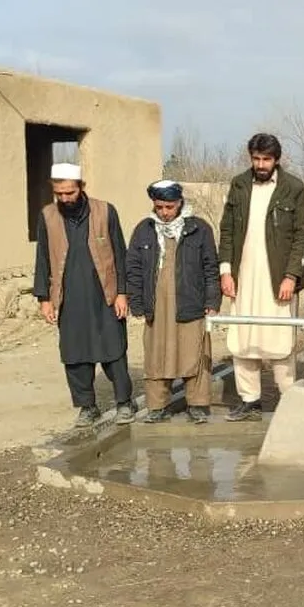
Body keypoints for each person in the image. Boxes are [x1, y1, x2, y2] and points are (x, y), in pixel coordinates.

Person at [217, 133, 304, 422]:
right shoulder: (239, 185)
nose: (260, 165)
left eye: (266, 159)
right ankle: (250, 400)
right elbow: (226, 230)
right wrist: (226, 271)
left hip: (278, 279)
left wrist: (291, 275)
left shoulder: (294, 188)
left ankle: (289, 399)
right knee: (243, 337)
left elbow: (302, 236)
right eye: (256, 159)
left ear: (276, 160)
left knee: (280, 339)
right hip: (242, 277)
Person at [32, 162, 135, 428]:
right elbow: (42, 258)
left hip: (105, 294)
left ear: (81, 187)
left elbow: (120, 254)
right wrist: (44, 298)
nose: (65, 198)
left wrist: (122, 293)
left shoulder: (105, 211)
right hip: (69, 297)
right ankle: (87, 407)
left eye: (70, 192)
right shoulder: (47, 216)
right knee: (75, 353)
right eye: (59, 194)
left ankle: (124, 402)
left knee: (114, 349)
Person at [126, 180, 221, 424]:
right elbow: (133, 268)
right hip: (157, 305)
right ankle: (157, 406)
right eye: (159, 207)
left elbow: (211, 267)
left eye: (169, 207)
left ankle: (197, 405)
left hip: (191, 301)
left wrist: (212, 299)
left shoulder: (199, 229)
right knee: (156, 354)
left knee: (195, 353)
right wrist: (136, 301)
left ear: (179, 203)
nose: (164, 213)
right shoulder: (144, 230)